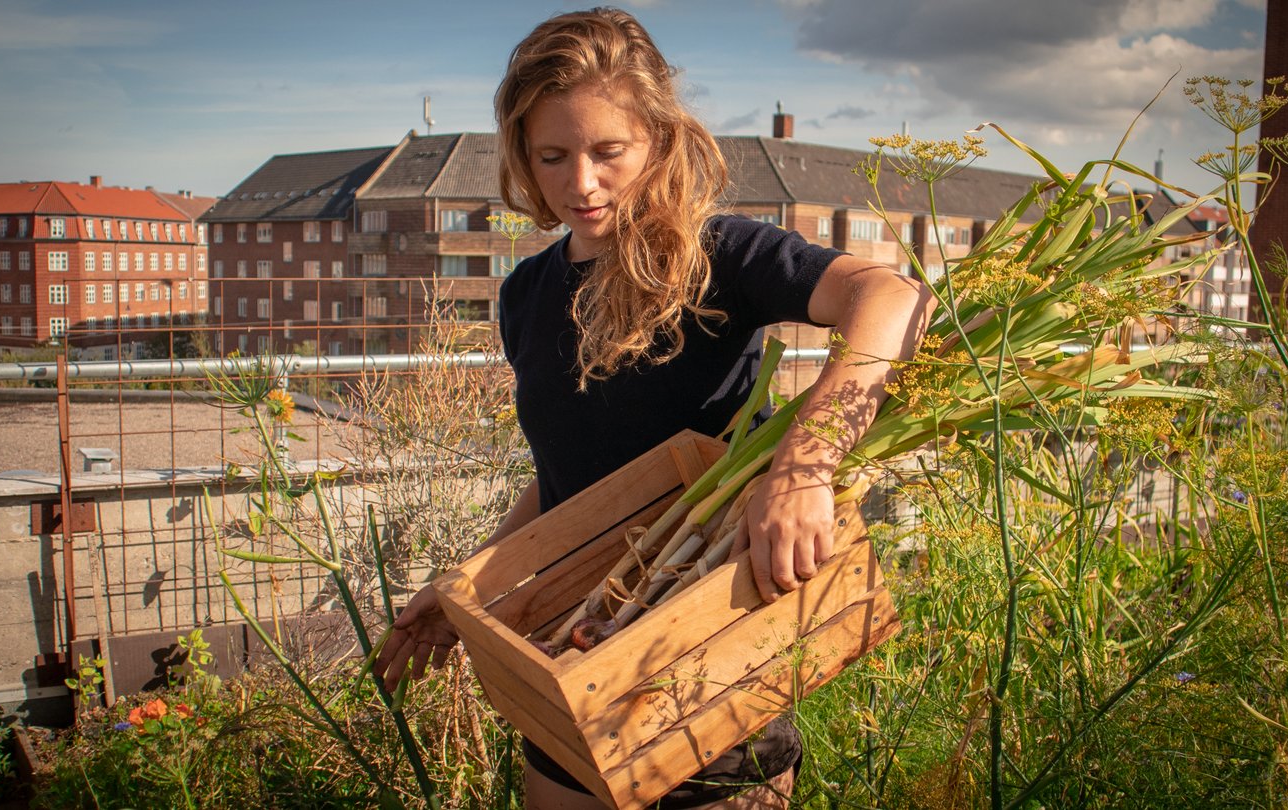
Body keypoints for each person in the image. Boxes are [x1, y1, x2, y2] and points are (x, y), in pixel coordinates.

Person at [375, 7, 933, 808]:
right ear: (524, 160)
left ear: (660, 142)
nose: (581, 183)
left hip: (712, 665)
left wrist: (805, 466)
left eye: (608, 152)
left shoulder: (725, 256)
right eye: (553, 156)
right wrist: (470, 588)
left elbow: (891, 295)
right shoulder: (525, 294)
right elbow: (565, 479)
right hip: (574, 667)